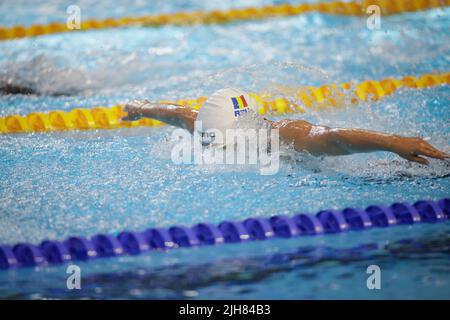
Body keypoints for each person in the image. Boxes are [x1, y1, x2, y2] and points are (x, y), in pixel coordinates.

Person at [121, 88, 449, 165]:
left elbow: (333, 139)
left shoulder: (282, 137)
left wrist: (393, 142)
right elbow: (177, 114)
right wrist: (139, 109)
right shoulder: (207, 127)